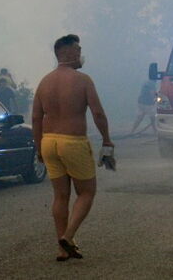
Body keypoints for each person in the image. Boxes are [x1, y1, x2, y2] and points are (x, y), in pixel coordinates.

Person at [32, 34, 113, 262]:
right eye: (77, 50)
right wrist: (107, 139)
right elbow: (97, 113)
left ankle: (61, 248)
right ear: (65, 53)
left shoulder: (44, 82)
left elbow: (36, 117)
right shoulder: (83, 80)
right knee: (87, 192)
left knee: (60, 196)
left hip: (49, 142)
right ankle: (67, 237)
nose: (80, 54)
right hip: (73, 141)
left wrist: (38, 147)